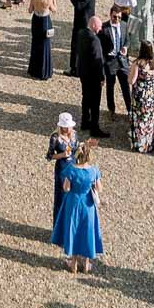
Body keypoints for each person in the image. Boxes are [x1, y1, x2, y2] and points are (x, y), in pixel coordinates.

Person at [53, 137, 104, 272]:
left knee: (74, 229)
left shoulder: (71, 169)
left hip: (73, 201)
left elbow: (66, 188)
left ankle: (74, 263)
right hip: (88, 203)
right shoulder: (94, 170)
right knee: (87, 230)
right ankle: (86, 263)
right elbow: (99, 188)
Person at [77, 16, 109, 139]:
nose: (100, 29)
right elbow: (98, 61)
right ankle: (94, 128)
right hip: (93, 76)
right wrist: (101, 77)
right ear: (94, 25)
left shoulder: (81, 33)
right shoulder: (94, 40)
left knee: (85, 98)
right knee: (95, 103)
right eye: (99, 27)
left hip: (83, 73)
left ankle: (85, 121)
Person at [100, 10, 132, 121]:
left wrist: (125, 48)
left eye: (119, 17)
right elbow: (100, 48)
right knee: (110, 87)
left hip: (122, 60)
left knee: (126, 86)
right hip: (110, 61)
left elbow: (127, 40)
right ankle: (111, 110)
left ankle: (130, 110)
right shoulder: (104, 28)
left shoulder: (124, 25)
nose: (117, 19)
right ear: (110, 15)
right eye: (115, 17)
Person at [128, 44, 154, 154]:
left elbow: (131, 81)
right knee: (149, 119)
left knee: (139, 119)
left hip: (140, 95)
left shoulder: (138, 64)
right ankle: (148, 144)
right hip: (151, 93)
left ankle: (139, 144)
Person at [47, 113, 76, 220]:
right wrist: (61, 155)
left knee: (73, 196)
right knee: (61, 196)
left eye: (69, 127)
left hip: (74, 167)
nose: (68, 129)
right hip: (62, 169)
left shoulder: (74, 135)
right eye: (65, 127)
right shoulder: (55, 138)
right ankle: (58, 225)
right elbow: (49, 156)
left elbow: (75, 150)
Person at [68, 0, 96, 76]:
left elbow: (79, 6)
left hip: (81, 24)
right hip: (85, 22)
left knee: (76, 46)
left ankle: (75, 69)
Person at [27, 0, 55, 79]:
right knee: (44, 45)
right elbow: (54, 10)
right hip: (44, 22)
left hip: (35, 21)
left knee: (35, 43)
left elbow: (30, 10)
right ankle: (43, 71)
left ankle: (34, 70)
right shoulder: (48, 0)